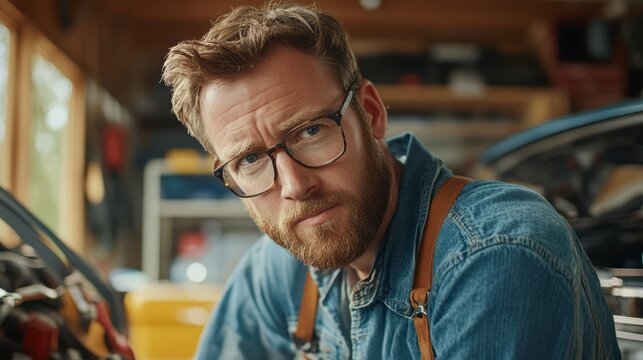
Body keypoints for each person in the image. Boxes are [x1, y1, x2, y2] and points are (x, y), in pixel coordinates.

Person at [161, 3, 620, 359]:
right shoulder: (281, 271)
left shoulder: (496, 256)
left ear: (372, 114)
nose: (294, 185)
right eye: (251, 160)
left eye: (311, 131)